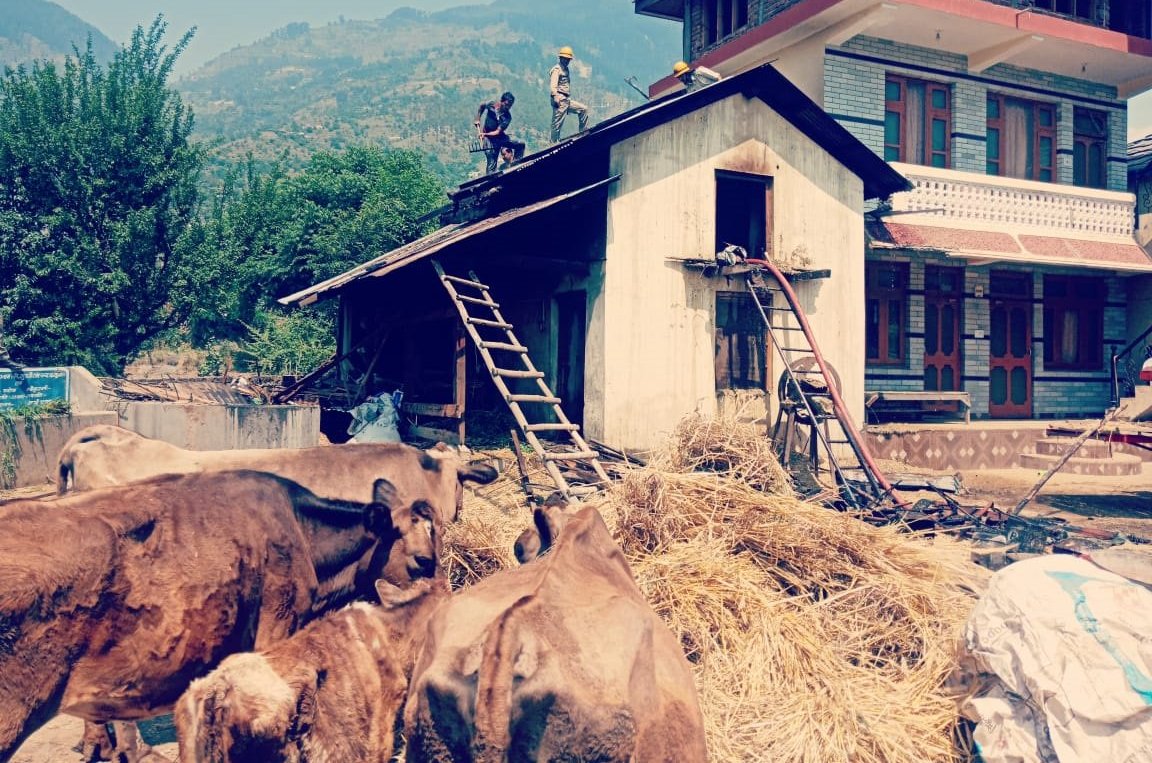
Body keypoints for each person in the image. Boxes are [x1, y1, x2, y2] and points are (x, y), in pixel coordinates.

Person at [473, 91, 525, 174]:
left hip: (499, 137)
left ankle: (515, 167)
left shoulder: (507, 117)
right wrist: (478, 118)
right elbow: (482, 105)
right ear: (501, 101)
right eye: (506, 104)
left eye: (510, 106)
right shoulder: (491, 105)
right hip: (489, 140)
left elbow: (497, 132)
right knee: (492, 162)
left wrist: (484, 134)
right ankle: (491, 183)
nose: (508, 107)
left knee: (520, 145)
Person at [549, 46, 589, 143]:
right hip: (560, 98)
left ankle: (583, 133)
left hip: (566, 99)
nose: (567, 61)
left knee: (583, 109)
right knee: (557, 124)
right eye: (565, 59)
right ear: (561, 58)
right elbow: (553, 84)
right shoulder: (557, 69)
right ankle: (553, 144)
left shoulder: (565, 69)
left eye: (568, 59)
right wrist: (555, 96)